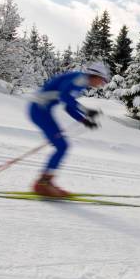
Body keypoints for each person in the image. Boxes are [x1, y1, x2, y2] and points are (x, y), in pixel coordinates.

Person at [29, 61, 110, 197]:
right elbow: (64, 97)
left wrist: (84, 120)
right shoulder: (79, 79)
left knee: (62, 146)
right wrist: (86, 110)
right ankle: (43, 184)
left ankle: (45, 182)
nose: (102, 84)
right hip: (39, 110)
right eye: (102, 80)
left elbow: (67, 106)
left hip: (42, 110)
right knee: (62, 146)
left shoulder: (80, 82)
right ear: (95, 76)